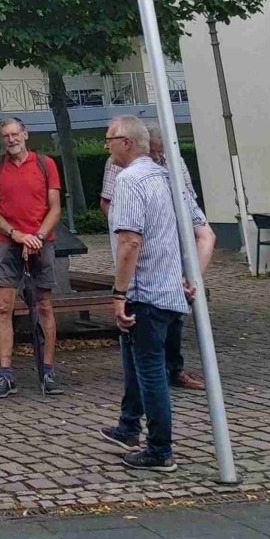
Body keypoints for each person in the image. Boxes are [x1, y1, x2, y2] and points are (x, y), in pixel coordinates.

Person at [103, 114, 216, 470]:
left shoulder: (130, 181)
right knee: (143, 365)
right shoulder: (169, 179)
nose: (106, 147)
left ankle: (160, 449)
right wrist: (191, 279)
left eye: (110, 140)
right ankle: (129, 428)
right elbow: (206, 234)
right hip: (170, 293)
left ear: (127, 143)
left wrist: (119, 293)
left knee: (150, 372)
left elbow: (129, 242)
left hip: (145, 293)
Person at [100, 130, 206, 393]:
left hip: (169, 253)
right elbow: (108, 203)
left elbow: (192, 209)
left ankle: (173, 369)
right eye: (154, 151)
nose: (157, 156)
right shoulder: (120, 168)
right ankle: (135, 406)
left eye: (161, 152)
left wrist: (193, 277)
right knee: (144, 343)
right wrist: (128, 223)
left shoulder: (174, 166)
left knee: (171, 318)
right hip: (142, 256)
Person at [0, 116, 62, 398]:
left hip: (42, 242)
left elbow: (55, 208)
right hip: (7, 243)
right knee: (2, 306)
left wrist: (37, 237)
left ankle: (47, 368)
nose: (11, 139)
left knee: (44, 306)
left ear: (25, 134)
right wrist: (16, 234)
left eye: (15, 134)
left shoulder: (45, 164)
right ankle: (6, 373)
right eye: (6, 135)